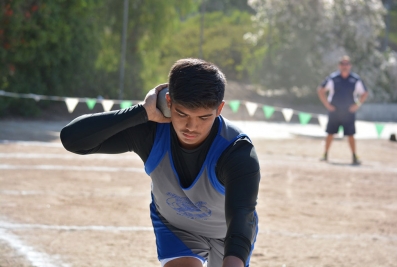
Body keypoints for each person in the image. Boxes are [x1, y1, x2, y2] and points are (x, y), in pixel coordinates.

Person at [60, 58, 260, 267]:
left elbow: (242, 215)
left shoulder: (237, 151)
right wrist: (141, 112)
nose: (191, 126)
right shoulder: (151, 133)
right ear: (168, 102)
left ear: (219, 109)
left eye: (203, 117)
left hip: (229, 233)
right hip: (176, 228)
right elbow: (73, 140)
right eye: (182, 114)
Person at [317, 55, 369, 165]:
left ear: (350, 66)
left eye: (346, 64)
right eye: (342, 64)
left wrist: (357, 105)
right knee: (330, 133)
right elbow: (321, 90)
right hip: (335, 111)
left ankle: (354, 156)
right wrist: (327, 104)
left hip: (348, 112)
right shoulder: (333, 78)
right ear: (339, 66)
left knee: (351, 135)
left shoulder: (355, 79)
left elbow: (364, 93)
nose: (344, 66)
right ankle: (325, 154)